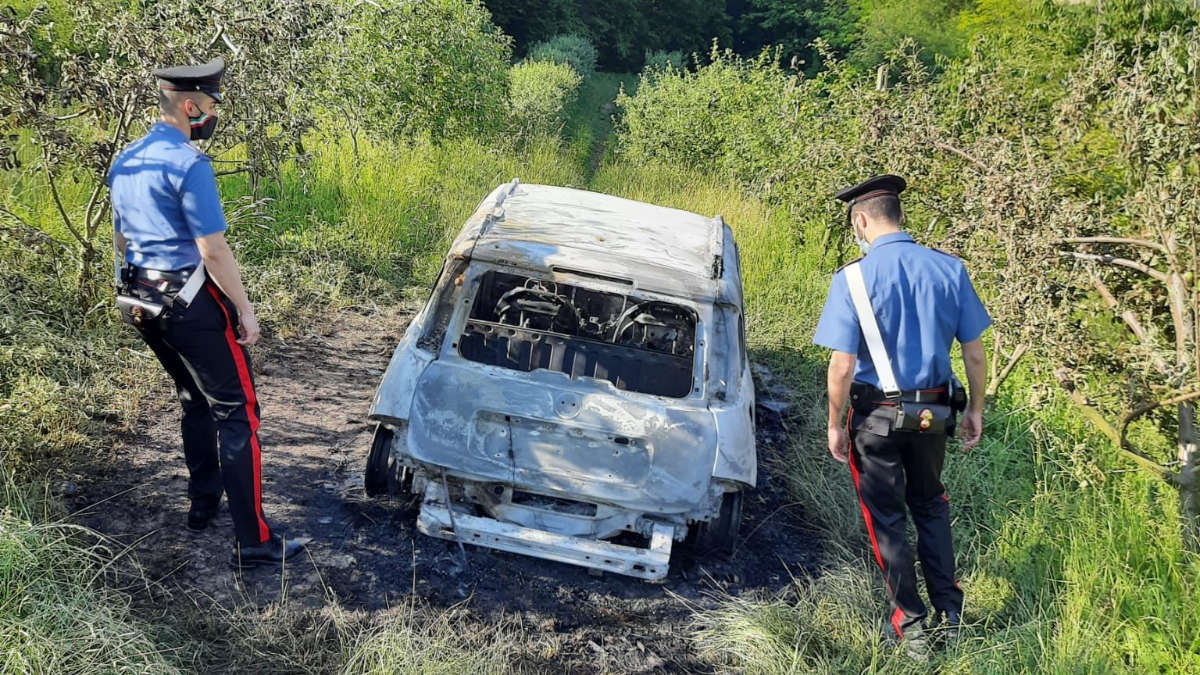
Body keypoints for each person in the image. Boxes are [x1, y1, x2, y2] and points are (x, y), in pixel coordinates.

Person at [108, 57, 304, 568]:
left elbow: (122, 237)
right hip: (189, 303)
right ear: (191, 106)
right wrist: (245, 309)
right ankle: (254, 542)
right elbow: (212, 250)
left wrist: (124, 283)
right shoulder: (189, 164)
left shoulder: (127, 160)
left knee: (193, 397)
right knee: (238, 414)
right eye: (212, 104)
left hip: (141, 303)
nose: (215, 113)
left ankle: (203, 503)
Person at [813, 175, 989, 657]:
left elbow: (842, 366)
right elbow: (974, 354)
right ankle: (950, 616)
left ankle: (910, 628)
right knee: (931, 506)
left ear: (861, 220)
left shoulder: (851, 279)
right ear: (899, 215)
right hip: (933, 414)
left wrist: (834, 423)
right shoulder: (950, 270)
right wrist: (975, 408)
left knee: (886, 519)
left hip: (875, 419)